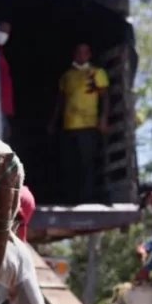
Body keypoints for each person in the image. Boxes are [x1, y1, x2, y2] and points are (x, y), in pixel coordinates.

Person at [48, 42, 110, 204]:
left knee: (86, 163)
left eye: (85, 52)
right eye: (78, 52)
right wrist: (54, 122)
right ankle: (71, 199)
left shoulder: (97, 72)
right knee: (69, 164)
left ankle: (87, 200)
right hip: (68, 125)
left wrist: (103, 118)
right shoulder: (66, 76)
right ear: (74, 54)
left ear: (89, 55)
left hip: (88, 124)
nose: (81, 55)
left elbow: (105, 97)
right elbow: (60, 101)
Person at [0, 22, 14, 141]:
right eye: (3, 31)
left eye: (7, 32)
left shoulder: (0, 52)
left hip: (2, 103)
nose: (4, 35)